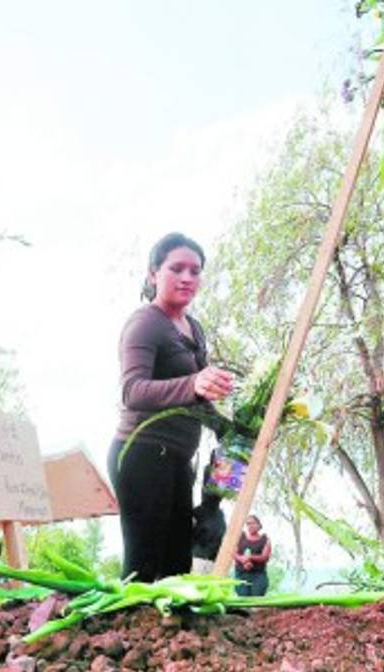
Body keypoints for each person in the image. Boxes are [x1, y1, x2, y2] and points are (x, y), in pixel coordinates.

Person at [109, 233, 234, 582]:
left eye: (195, 271)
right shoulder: (145, 323)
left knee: (176, 568)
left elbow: (197, 398)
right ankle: (128, 619)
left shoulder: (194, 328)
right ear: (153, 273)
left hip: (178, 460)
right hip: (141, 455)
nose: (187, 278)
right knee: (143, 569)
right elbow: (132, 391)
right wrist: (193, 383)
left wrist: (232, 430)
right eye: (176, 269)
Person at [234, 515, 271, 596]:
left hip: (258, 575)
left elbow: (265, 557)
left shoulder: (265, 539)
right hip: (241, 574)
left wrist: (250, 557)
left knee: (257, 599)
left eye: (252, 523)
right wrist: (242, 559)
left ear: (259, 525)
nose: (250, 526)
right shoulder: (241, 537)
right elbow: (233, 552)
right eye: (248, 524)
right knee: (243, 598)